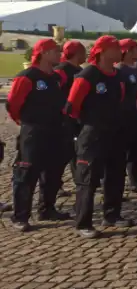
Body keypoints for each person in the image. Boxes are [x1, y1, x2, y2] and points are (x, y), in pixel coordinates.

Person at [65, 36, 131, 238]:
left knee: (115, 175)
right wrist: (87, 124)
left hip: (115, 132)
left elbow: (120, 99)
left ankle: (112, 215)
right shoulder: (88, 74)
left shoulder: (118, 75)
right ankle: (83, 222)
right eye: (115, 48)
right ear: (102, 51)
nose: (119, 51)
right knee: (88, 179)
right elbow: (72, 106)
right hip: (93, 133)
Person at [6, 39, 67, 230]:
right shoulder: (27, 77)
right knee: (27, 174)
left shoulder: (56, 78)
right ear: (45, 53)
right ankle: (20, 216)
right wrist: (25, 123)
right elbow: (13, 105)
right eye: (56, 51)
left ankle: (47, 208)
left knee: (53, 172)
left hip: (55, 130)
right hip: (34, 131)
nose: (60, 55)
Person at [53, 40, 87, 196]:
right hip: (63, 120)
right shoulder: (61, 71)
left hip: (77, 118)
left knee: (76, 152)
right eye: (83, 52)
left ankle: (79, 180)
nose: (86, 55)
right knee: (61, 154)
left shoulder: (80, 70)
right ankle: (55, 185)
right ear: (76, 53)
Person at [115, 39, 137, 194]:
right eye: (136, 49)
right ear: (127, 51)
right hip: (125, 117)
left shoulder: (136, 68)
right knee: (124, 152)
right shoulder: (120, 70)